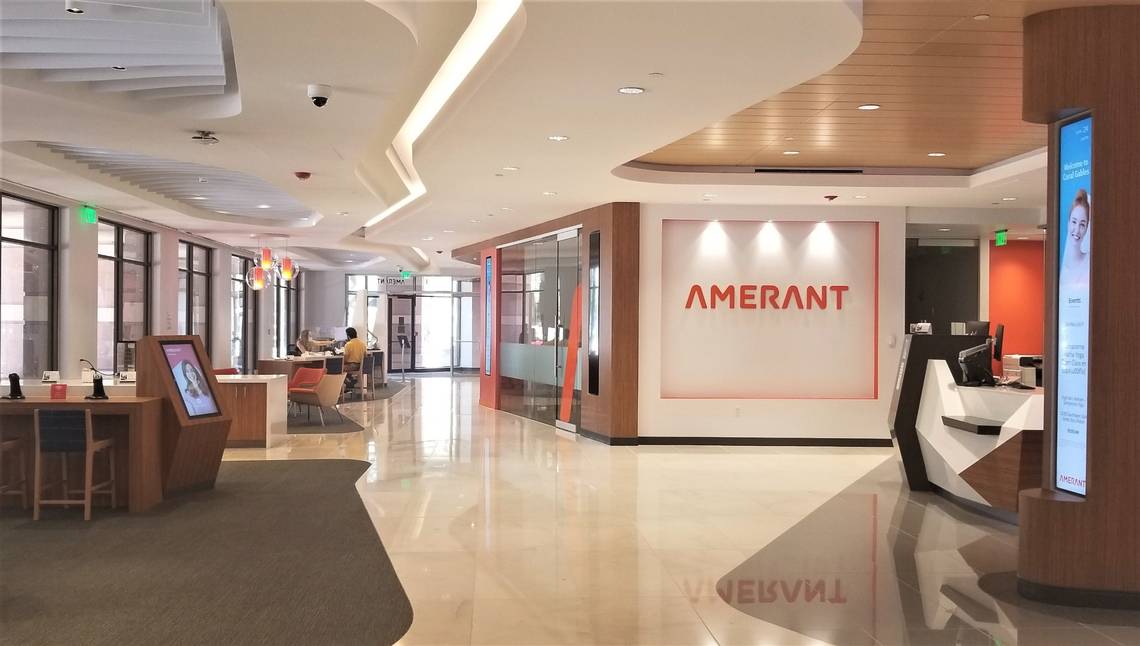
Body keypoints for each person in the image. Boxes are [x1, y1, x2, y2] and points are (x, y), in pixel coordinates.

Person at [1060, 188, 1091, 289]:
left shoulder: (1089, 262)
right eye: (1074, 222)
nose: (1077, 230)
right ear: (1068, 222)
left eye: (1082, 224)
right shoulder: (1061, 269)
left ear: (1086, 228)